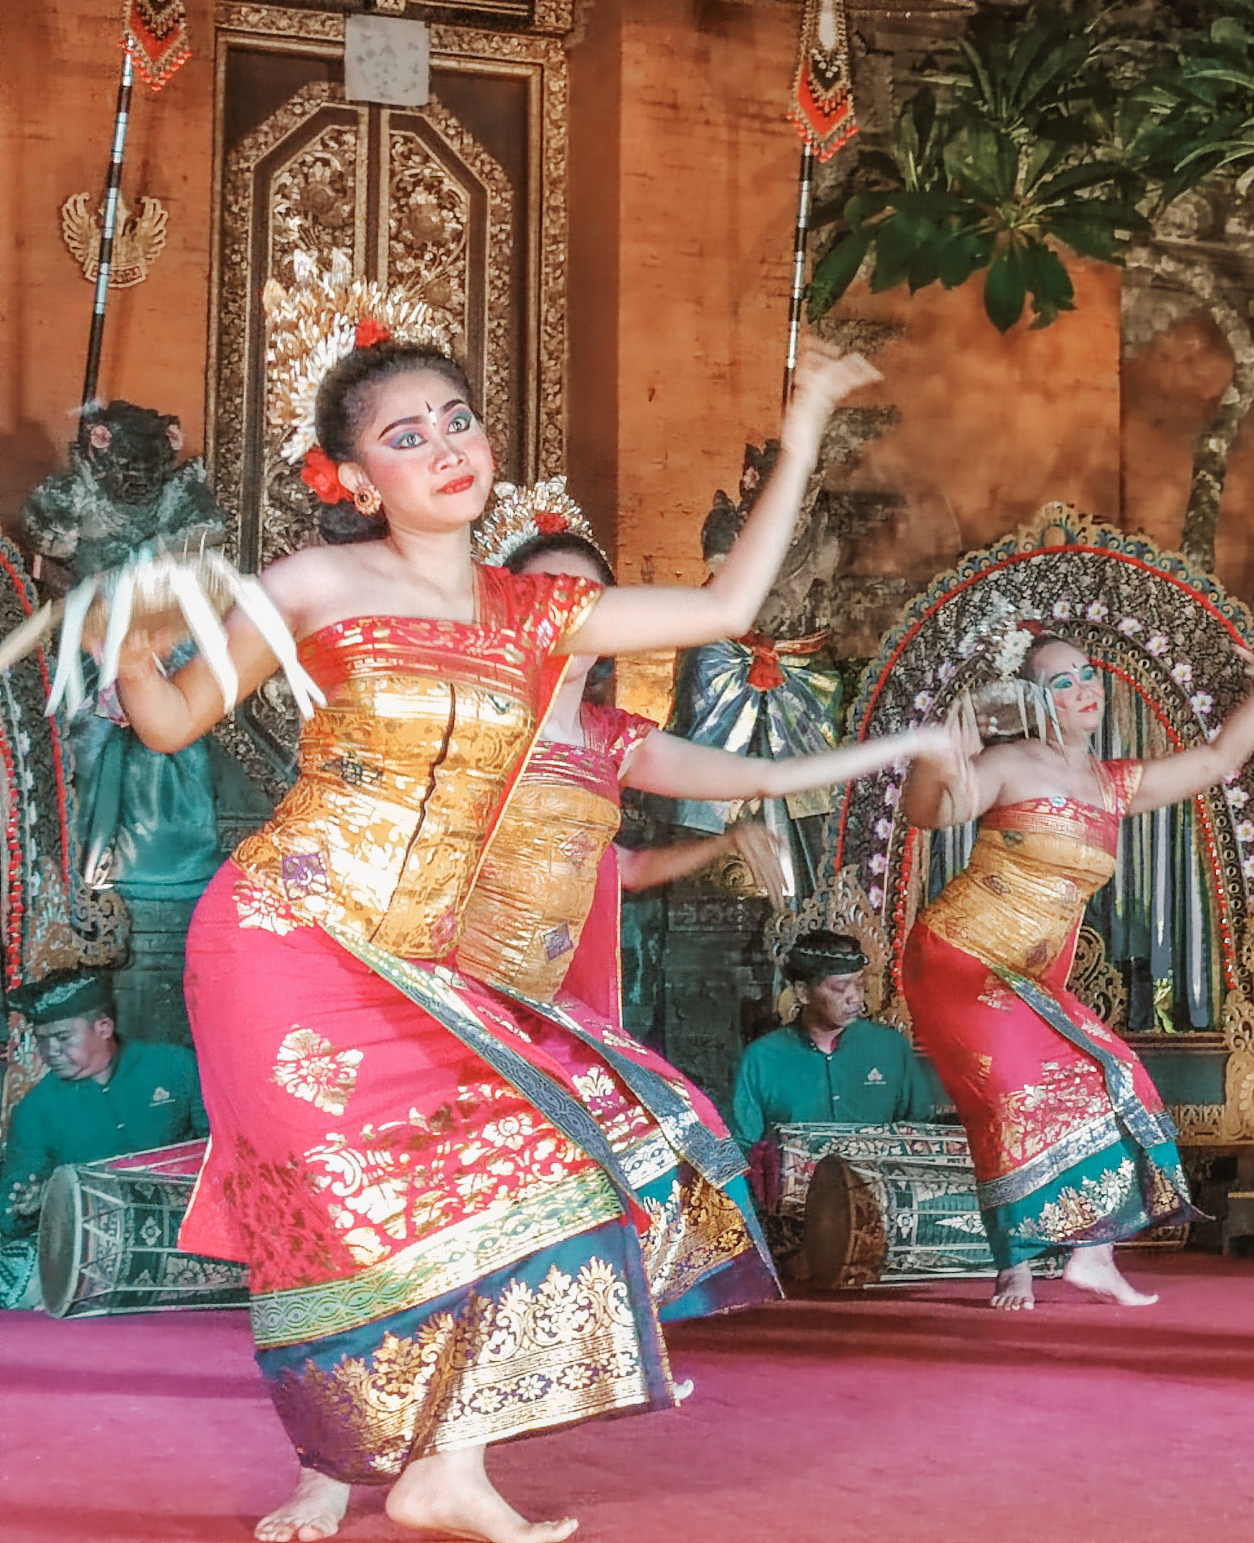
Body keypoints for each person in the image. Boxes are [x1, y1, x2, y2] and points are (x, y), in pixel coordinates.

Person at [107, 293, 879, 1543]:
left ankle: (446, 1467)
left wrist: (802, 430)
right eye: (405, 435)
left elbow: (727, 608)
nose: (445, 446)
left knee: (551, 1155)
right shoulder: (314, 579)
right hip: (284, 935)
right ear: (356, 474)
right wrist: (136, 637)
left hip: (420, 960)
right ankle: (335, 1461)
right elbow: (168, 719)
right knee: (340, 1212)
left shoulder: (536, 614)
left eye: (457, 418)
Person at [259, 484, 948, 1538]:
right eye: (543, 597)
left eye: (588, 602)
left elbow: (732, 794)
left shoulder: (612, 738)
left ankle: (450, 1461)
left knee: (533, 1217)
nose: (566, 618)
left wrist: (885, 752)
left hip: (530, 1022)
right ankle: (326, 1465)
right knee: (359, 1236)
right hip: (410, 1002)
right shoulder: (452, 718)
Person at [901, 627, 1254, 1310]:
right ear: (1033, 699)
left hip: (1029, 978)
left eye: (1088, 674)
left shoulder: (1112, 784)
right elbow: (929, 812)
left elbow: (1215, 761)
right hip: (961, 958)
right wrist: (940, 752)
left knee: (1118, 1078)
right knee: (1015, 1101)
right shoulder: (1009, 763)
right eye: (1062, 682)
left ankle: (1087, 1256)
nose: (1085, 688)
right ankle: (1023, 1264)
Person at [0, 970, 207, 1274]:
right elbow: (9, 1212)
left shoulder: (175, 1066)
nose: (51, 1052)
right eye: (42, 1041)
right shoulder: (35, 1109)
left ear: (104, 1027)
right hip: (95, 1253)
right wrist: (29, 1209)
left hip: (190, 1229)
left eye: (63, 1038)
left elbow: (219, 1147)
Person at [730, 931, 937, 1148]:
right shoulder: (762, 1058)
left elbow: (919, 1132)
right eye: (840, 988)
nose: (855, 998)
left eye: (860, 985)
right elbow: (744, 1146)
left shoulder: (890, 1048)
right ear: (803, 993)